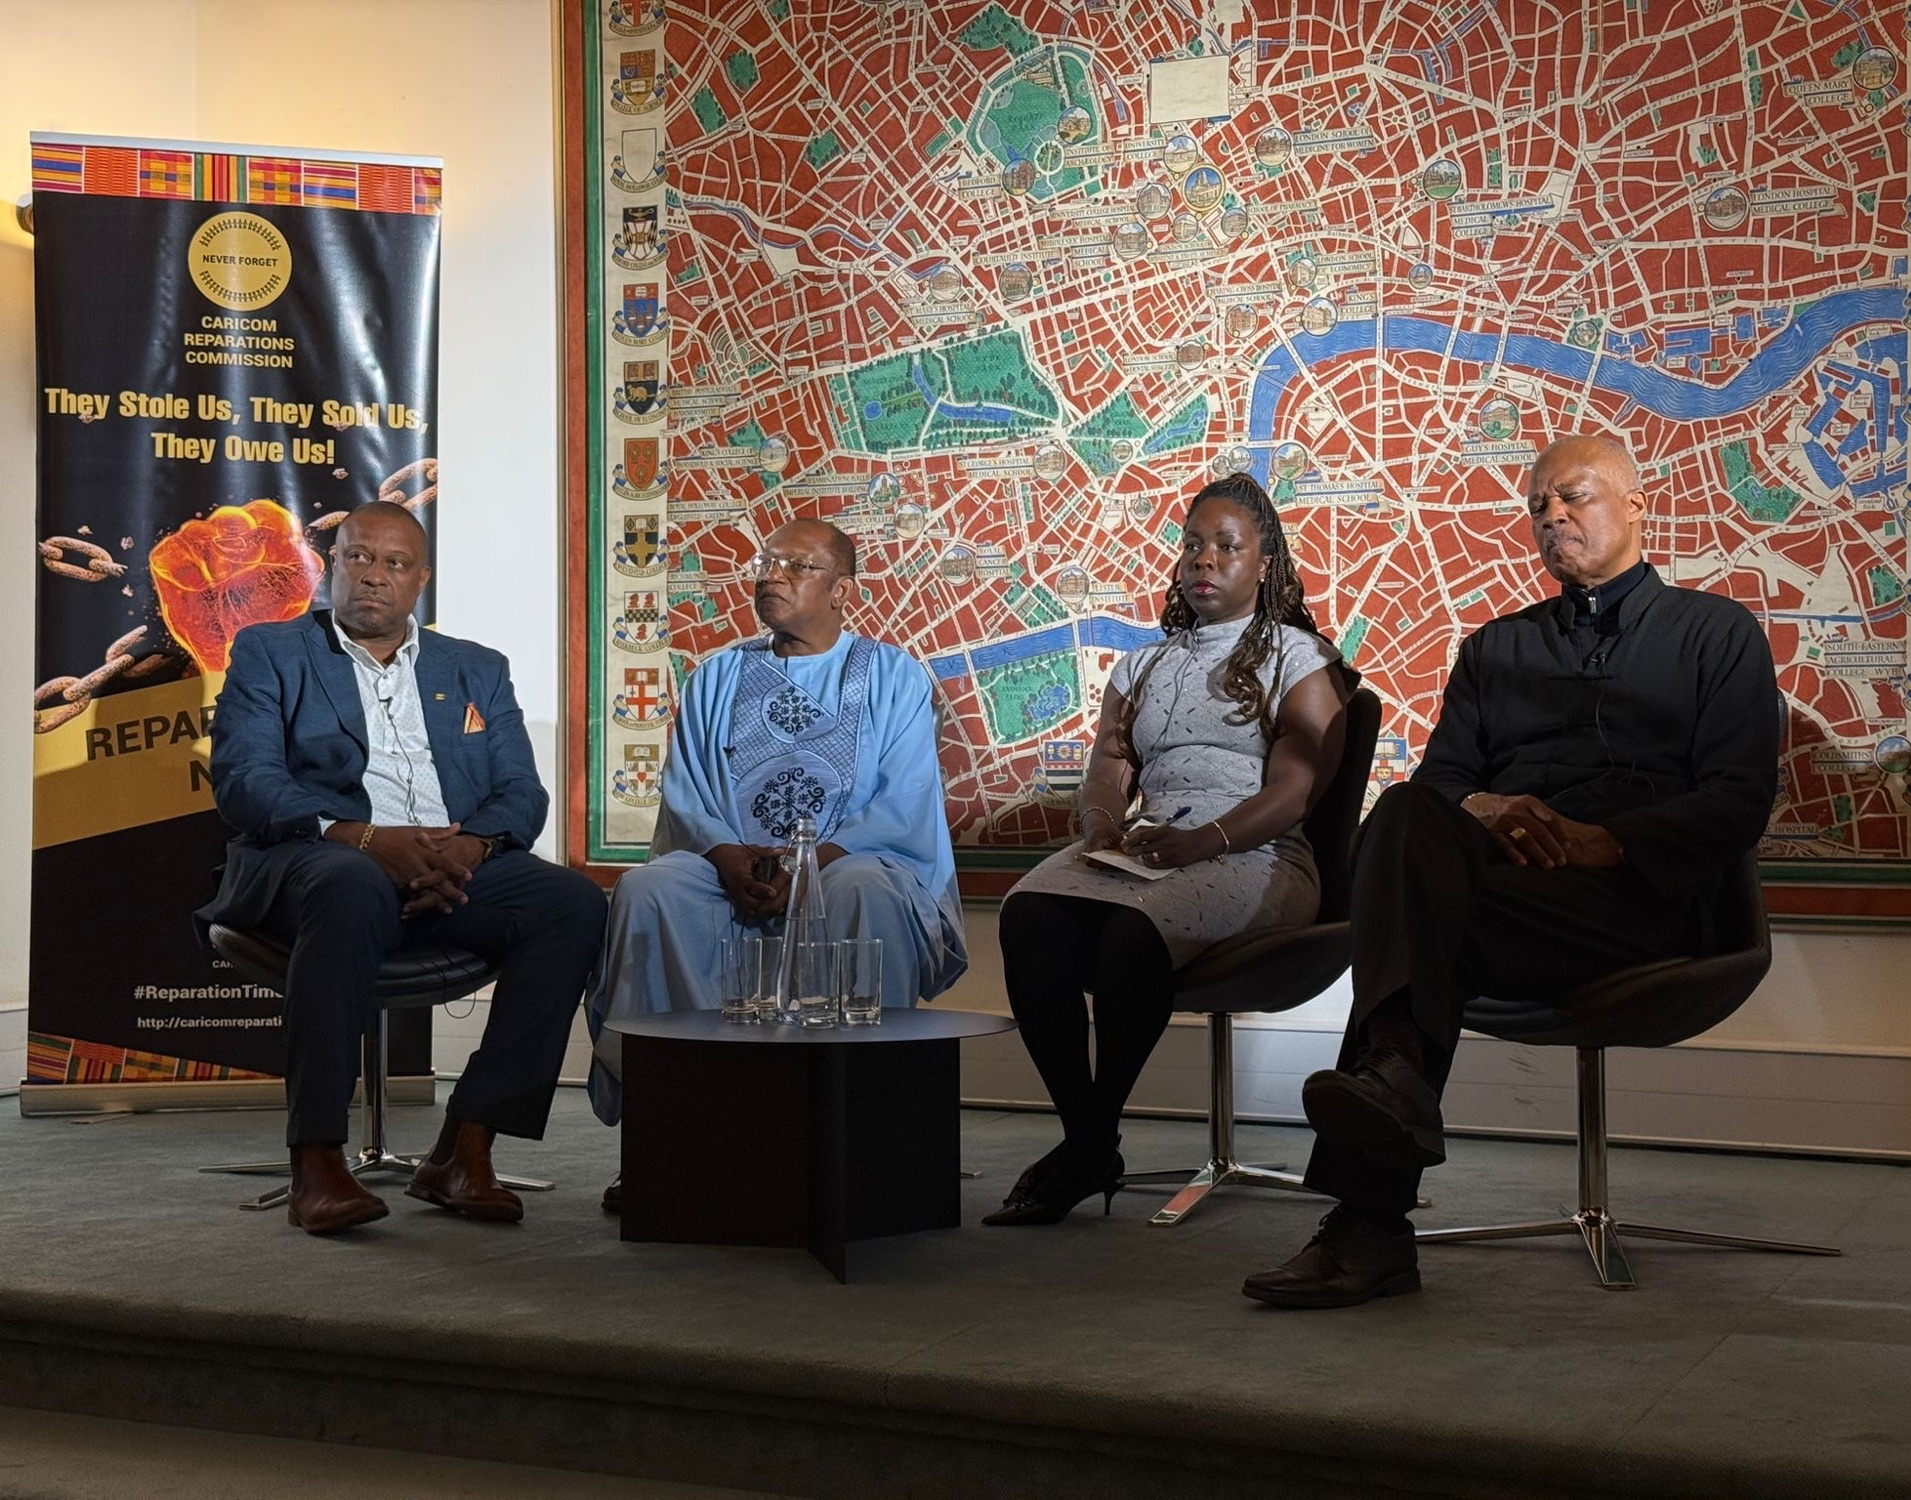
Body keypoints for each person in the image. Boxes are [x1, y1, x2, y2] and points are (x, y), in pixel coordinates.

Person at [1241, 434, 1781, 1308]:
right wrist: (1484, 808)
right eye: (1537, 507)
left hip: (1641, 904)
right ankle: (1393, 1084)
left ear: (1637, 506)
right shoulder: (1496, 649)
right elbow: (1443, 787)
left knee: (1425, 928)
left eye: (1572, 497)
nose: (1551, 516)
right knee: (1408, 812)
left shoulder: (1716, 634)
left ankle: (1371, 1213)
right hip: (1511, 896)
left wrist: (1605, 842)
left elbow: (1738, 800)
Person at [199, 501, 607, 1236]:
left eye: (394, 563)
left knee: (572, 904)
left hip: (451, 863)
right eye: (358, 557)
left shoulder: (476, 667)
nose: (373, 576)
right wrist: (361, 838)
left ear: (421, 579)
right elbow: (245, 782)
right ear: (332, 565)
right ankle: (317, 1159)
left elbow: (521, 792)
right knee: (351, 881)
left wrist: (467, 848)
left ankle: (465, 1146)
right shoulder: (272, 651)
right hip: (317, 860)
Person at [985, 474, 1358, 1226]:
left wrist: (1202, 842)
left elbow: (1294, 794)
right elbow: (1108, 767)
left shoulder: (1300, 659)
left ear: (1265, 564)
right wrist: (1100, 825)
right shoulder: (1143, 665)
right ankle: (1088, 1139)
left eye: (1226, 546)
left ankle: (1091, 1141)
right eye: (1192, 545)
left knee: (1131, 933)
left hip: (1259, 855)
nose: (1203, 560)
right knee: (1028, 916)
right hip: (1154, 848)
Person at [585, 519, 967, 1148]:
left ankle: (860, 1133)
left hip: (845, 864)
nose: (771, 577)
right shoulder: (718, 675)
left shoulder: (893, 675)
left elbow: (903, 800)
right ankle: (674, 1130)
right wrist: (728, 856)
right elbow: (686, 790)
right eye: (765, 564)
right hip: (736, 868)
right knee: (649, 890)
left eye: (796, 566)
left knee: (864, 888)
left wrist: (810, 865)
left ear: (842, 590)